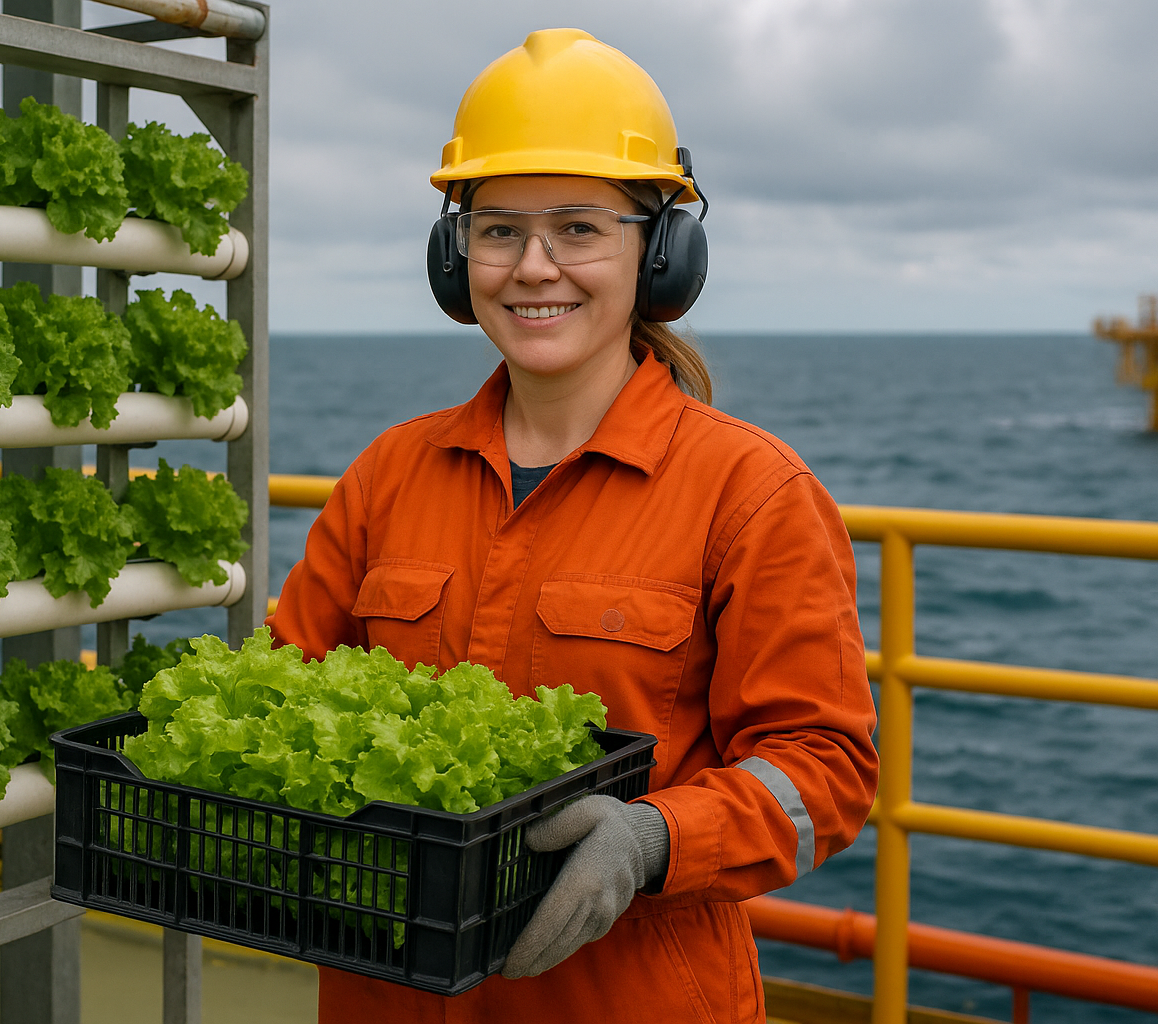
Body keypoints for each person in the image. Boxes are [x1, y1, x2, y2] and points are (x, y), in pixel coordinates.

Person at [268, 27, 879, 1024]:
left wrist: (655, 839)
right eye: (499, 229)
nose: (532, 266)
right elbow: (280, 697)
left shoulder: (751, 491)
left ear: (663, 251)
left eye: (580, 228)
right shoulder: (388, 474)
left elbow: (826, 772)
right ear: (454, 254)